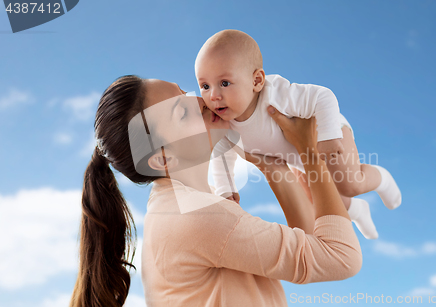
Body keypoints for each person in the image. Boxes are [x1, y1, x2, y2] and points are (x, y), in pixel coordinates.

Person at [70, 75, 362, 307]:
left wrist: (270, 164)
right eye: (182, 112)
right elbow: (341, 257)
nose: (201, 100)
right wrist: (308, 149)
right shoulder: (197, 217)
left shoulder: (181, 207)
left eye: (185, 91)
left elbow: (312, 247)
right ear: (162, 158)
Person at [195, 29, 403, 240]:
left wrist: (329, 135)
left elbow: (322, 97)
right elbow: (221, 152)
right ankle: (358, 211)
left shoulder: (275, 95)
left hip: (327, 132)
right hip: (298, 159)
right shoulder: (224, 123)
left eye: (224, 83)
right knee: (320, 202)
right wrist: (225, 189)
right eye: (204, 86)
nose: (213, 96)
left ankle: (382, 179)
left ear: (257, 81)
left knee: (348, 184)